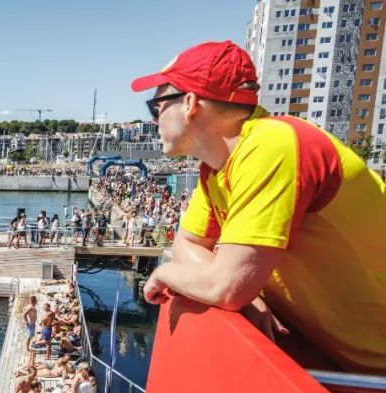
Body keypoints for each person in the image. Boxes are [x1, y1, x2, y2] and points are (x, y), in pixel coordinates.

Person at [132, 40, 386, 373]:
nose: (154, 121)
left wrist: (165, 273)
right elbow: (189, 244)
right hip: (340, 358)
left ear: (191, 103)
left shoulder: (272, 145)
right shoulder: (218, 167)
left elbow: (225, 288)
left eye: (157, 107)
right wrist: (240, 285)